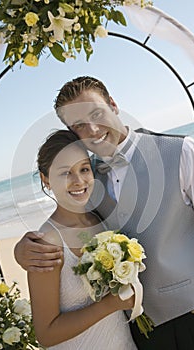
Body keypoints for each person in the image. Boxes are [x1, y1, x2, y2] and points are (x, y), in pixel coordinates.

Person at [14, 76, 194, 350]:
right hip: (139, 333)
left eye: (96, 113)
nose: (92, 129)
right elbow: (68, 227)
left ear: (113, 105)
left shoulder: (181, 151)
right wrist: (22, 250)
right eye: (79, 125)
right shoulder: (85, 176)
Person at [25, 129, 137, 349]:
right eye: (65, 173)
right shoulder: (47, 244)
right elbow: (46, 334)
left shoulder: (100, 220)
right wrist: (110, 305)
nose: (78, 181)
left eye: (84, 169)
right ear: (45, 179)